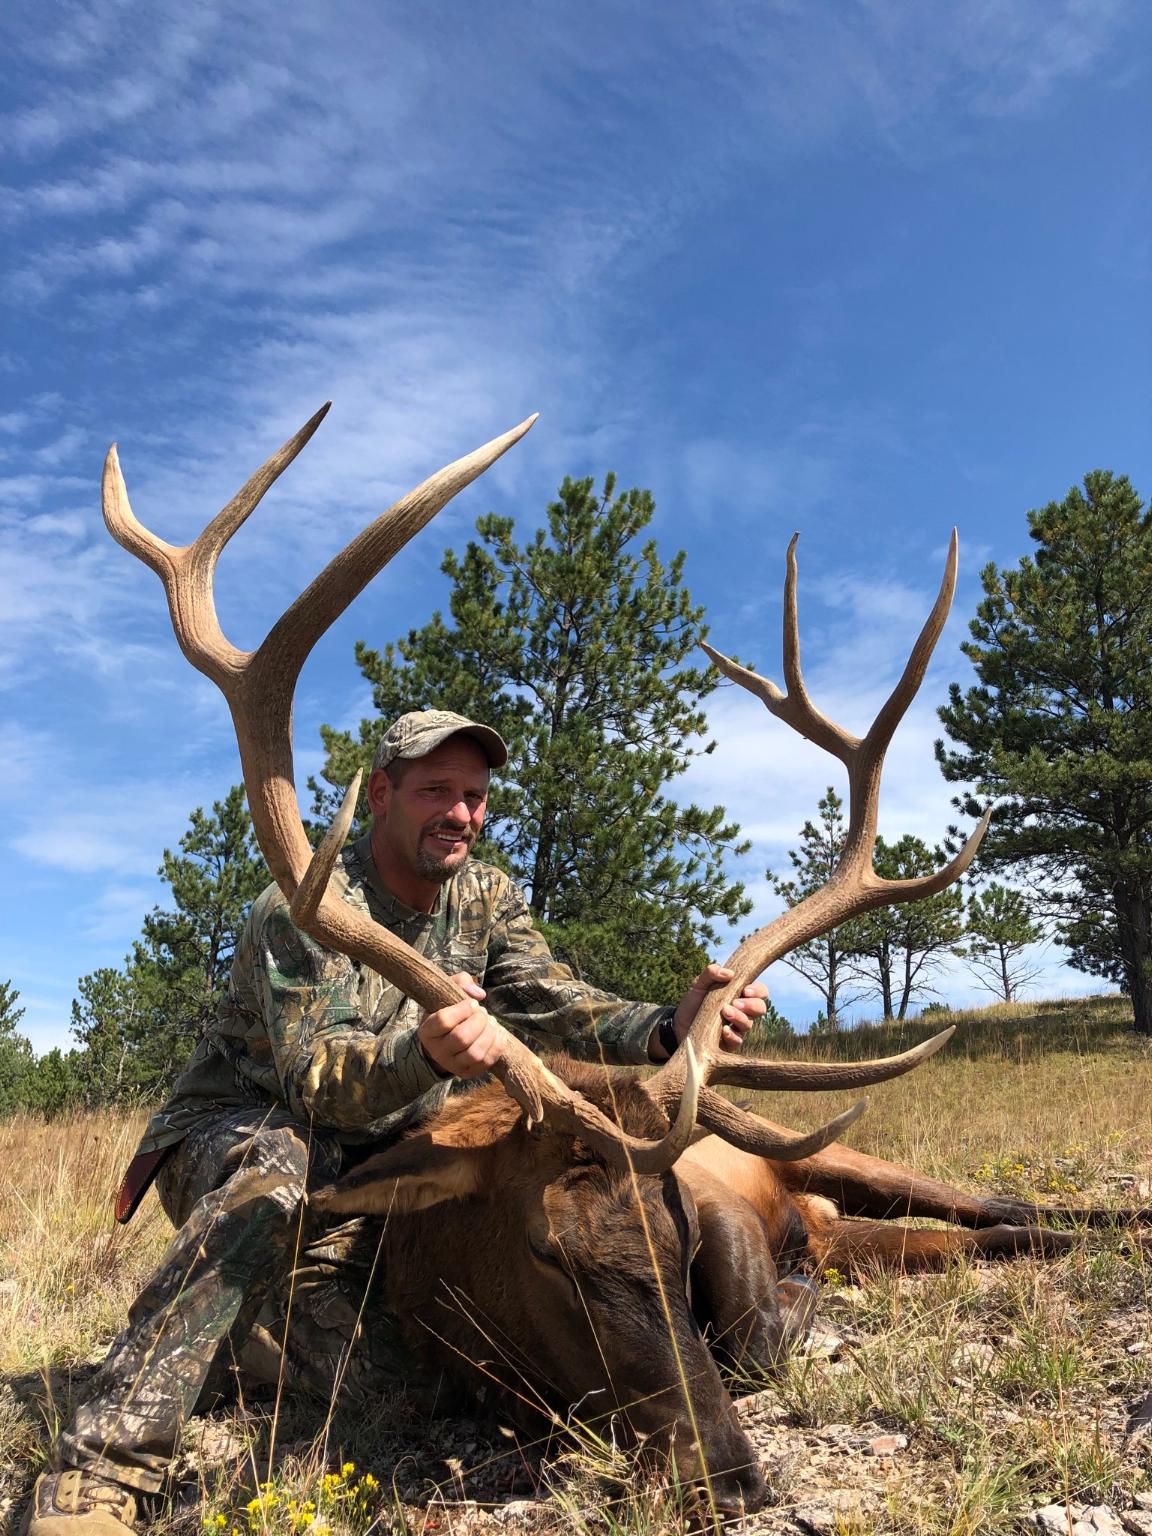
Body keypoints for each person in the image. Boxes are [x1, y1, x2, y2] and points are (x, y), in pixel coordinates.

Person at [26, 711, 767, 1536]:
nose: (461, 814)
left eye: (476, 796)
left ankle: (240, 1336)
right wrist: (424, 1054)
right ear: (381, 794)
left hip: (385, 1154)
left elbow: (559, 1002)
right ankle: (101, 1470)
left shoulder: (483, 895)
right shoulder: (305, 905)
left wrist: (670, 1023)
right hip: (241, 1133)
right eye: (436, 791)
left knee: (410, 1372)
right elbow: (316, 1086)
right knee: (278, 1168)